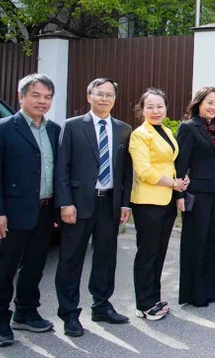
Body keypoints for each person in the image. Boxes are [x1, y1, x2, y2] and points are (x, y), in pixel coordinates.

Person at [0, 74, 60, 347]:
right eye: (36, 95)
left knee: (35, 265)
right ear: (22, 97)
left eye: (48, 97)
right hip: (11, 213)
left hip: (44, 210)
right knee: (5, 267)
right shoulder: (1, 128)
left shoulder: (53, 130)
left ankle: (26, 311)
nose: (42, 101)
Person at [54, 78, 132, 337]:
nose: (104, 99)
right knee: (71, 259)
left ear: (114, 99)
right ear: (89, 96)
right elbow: (62, 167)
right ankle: (69, 313)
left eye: (110, 95)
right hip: (78, 204)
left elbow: (125, 172)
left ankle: (101, 305)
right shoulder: (73, 126)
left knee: (105, 258)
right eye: (99, 94)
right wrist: (65, 202)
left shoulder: (123, 129)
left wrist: (124, 203)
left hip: (109, 203)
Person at [129, 88, 188, 320]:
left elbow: (169, 162)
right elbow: (144, 171)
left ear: (166, 108)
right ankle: (144, 303)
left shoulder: (164, 130)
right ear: (142, 110)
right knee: (147, 254)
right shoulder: (140, 134)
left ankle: (154, 297)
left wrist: (181, 181)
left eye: (160, 106)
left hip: (166, 201)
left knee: (159, 252)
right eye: (150, 107)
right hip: (148, 203)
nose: (155, 111)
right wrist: (173, 183)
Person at [175, 87, 215, 307]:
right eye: (209, 102)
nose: (213, 107)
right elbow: (180, 164)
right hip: (197, 194)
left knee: (213, 242)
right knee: (196, 242)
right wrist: (180, 194)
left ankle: (210, 289)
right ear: (198, 103)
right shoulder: (189, 127)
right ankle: (193, 293)